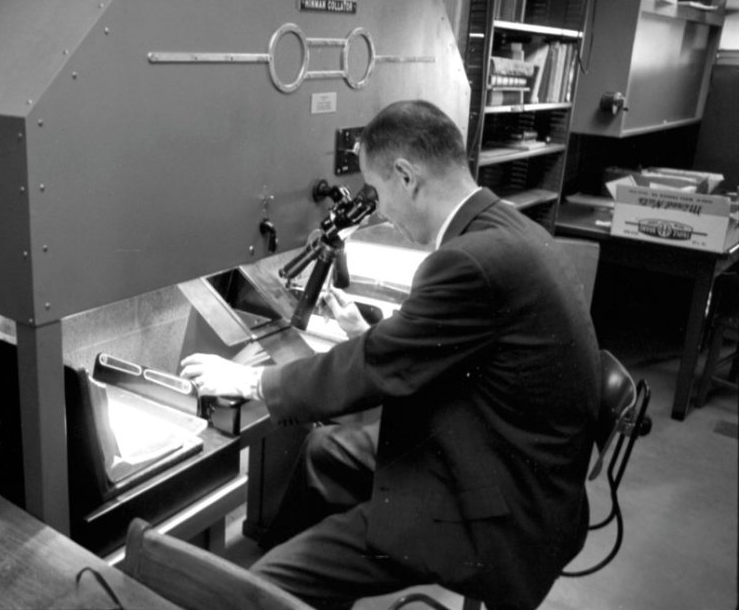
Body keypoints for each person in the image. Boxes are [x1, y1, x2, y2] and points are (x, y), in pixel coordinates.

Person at [179, 100, 601, 610]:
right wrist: (371, 331)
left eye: (376, 194)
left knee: (266, 583)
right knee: (325, 453)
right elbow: (445, 342)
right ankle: (301, 573)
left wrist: (253, 383)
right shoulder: (503, 229)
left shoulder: (469, 260)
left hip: (492, 507)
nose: (378, 211)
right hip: (515, 464)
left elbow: (374, 369)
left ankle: (278, 588)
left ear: (406, 177)